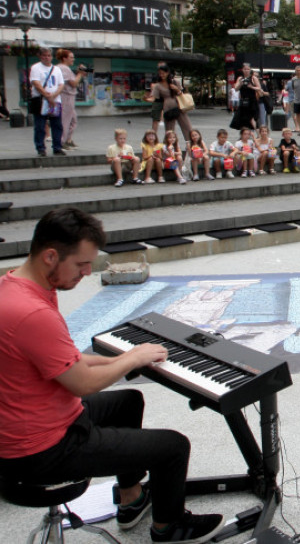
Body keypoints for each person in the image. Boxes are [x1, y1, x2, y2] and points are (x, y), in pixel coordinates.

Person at [0, 207, 225, 544]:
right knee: (173, 447)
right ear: (50, 256)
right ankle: (169, 527)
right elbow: (81, 383)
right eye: (81, 264)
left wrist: (123, 359)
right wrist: (132, 357)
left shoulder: (15, 287)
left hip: (32, 424)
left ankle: (131, 499)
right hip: (43, 450)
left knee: (128, 401)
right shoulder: (32, 312)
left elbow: (69, 361)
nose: (87, 272)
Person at [29, 47, 65, 157]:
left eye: (49, 55)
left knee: (57, 125)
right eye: (44, 55)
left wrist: (54, 95)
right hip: (41, 100)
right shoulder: (36, 68)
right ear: (40, 56)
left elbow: (61, 84)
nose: (47, 58)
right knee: (40, 125)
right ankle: (40, 148)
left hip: (55, 100)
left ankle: (57, 147)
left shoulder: (56, 69)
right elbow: (36, 83)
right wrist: (46, 95)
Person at [150, 64, 193, 147]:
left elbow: (181, 94)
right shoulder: (158, 85)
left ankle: (192, 146)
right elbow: (155, 98)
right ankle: (168, 148)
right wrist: (146, 98)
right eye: (160, 73)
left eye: (163, 73)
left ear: (168, 73)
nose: (162, 75)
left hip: (179, 106)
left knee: (187, 127)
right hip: (168, 109)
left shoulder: (175, 82)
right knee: (169, 130)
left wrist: (176, 89)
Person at [55, 49, 86, 149]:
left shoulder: (64, 68)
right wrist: (80, 74)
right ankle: (61, 141)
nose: (73, 59)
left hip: (69, 96)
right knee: (66, 120)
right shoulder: (63, 68)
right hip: (66, 97)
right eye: (71, 57)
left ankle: (68, 139)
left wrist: (80, 73)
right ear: (64, 58)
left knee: (73, 119)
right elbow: (73, 83)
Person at [231, 63, 261, 132]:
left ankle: (257, 133)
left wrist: (251, 87)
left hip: (252, 101)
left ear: (250, 70)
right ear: (242, 70)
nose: (246, 71)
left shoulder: (253, 78)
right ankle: (245, 133)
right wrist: (240, 83)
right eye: (245, 69)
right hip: (243, 100)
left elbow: (259, 88)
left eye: (248, 69)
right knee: (243, 119)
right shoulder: (240, 78)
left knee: (252, 118)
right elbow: (236, 89)